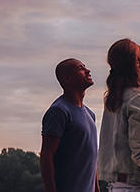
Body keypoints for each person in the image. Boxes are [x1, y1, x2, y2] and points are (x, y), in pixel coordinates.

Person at [97, 39, 140, 192]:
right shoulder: (139, 97)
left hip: (116, 186)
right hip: (136, 187)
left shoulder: (115, 98)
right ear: (136, 62)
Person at [41, 58, 100, 192]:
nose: (88, 71)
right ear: (67, 78)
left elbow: (91, 160)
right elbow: (46, 156)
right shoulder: (59, 111)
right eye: (81, 69)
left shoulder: (90, 115)